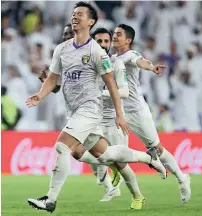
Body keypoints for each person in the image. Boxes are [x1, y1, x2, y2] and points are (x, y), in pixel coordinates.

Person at [26, 2, 166, 213]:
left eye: (80, 14)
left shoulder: (96, 52)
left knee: (62, 147)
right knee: (106, 155)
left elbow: (111, 84)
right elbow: (53, 78)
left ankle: (50, 200)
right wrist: (40, 94)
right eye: (73, 14)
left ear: (90, 21)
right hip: (73, 111)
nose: (75, 17)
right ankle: (148, 158)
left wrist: (120, 115)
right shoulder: (61, 49)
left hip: (90, 110)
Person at [39, 25, 150, 208]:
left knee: (119, 162)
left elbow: (122, 90)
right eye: (100, 41)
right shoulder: (71, 57)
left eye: (106, 41)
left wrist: (119, 114)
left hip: (110, 116)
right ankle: (121, 175)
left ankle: (137, 194)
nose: (103, 44)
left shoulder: (113, 62)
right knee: (79, 152)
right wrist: (48, 82)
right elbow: (61, 85)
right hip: (88, 116)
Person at [112, 23, 191, 204]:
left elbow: (142, 61)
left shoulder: (131, 55)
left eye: (118, 34)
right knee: (112, 149)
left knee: (157, 148)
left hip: (137, 111)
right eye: (114, 33)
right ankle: (118, 184)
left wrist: (151, 67)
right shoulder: (110, 58)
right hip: (120, 112)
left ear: (128, 40)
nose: (114, 36)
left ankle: (181, 177)